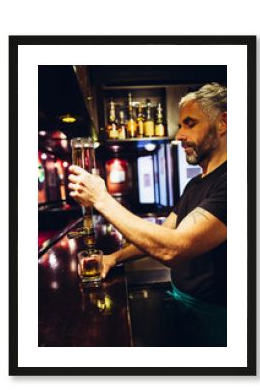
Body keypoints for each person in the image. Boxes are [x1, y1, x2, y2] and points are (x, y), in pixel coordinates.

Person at [68, 82, 227, 346]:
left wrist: (101, 199)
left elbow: (174, 249)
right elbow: (165, 233)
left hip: (216, 320)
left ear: (223, 123)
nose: (179, 136)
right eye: (180, 126)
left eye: (190, 123)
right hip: (183, 306)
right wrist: (113, 258)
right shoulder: (196, 183)